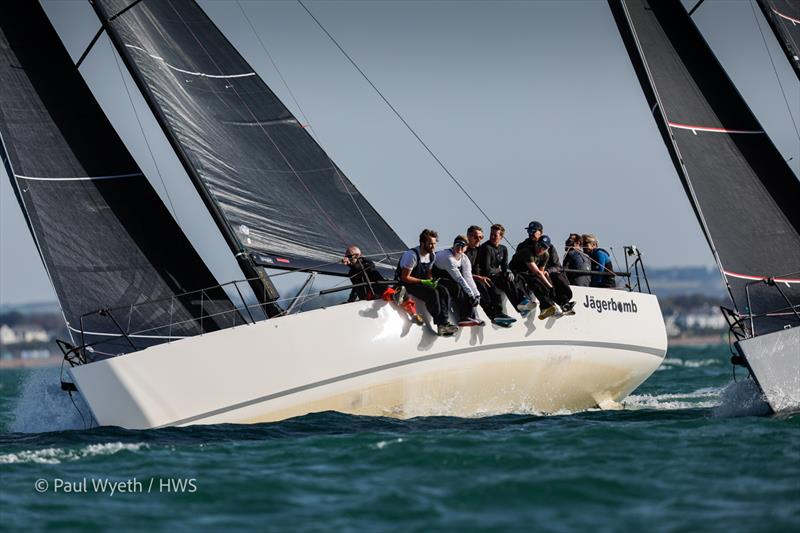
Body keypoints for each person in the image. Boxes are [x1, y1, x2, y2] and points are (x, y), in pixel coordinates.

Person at [396, 229, 458, 336]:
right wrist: (423, 281)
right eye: (430, 244)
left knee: (443, 291)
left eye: (434, 244)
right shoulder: (412, 255)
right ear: (422, 243)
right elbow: (405, 277)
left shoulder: (431, 255)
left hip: (421, 282)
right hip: (408, 284)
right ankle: (441, 324)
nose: (433, 246)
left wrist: (431, 280)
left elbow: (428, 272)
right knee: (432, 293)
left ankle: (444, 323)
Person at [511, 226, 575, 319]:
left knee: (554, 278)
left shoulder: (546, 253)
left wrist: (547, 275)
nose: (541, 249)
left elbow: (550, 268)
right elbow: (537, 272)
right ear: (537, 243)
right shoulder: (526, 248)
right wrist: (549, 286)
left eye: (533, 231)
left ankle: (560, 304)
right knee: (536, 280)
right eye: (529, 231)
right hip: (523, 271)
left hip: (539, 272)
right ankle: (548, 306)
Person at [475, 223, 522, 326]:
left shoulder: (503, 249)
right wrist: (501, 272)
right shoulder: (486, 247)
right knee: (495, 291)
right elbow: (487, 269)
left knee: (510, 278)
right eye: (491, 234)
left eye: (495, 235)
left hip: (497, 275)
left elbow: (505, 266)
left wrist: (508, 272)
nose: (492, 237)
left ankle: (520, 304)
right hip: (486, 276)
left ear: (501, 237)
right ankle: (498, 314)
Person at [433, 235, 485, 327]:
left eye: (462, 245)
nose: (459, 248)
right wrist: (471, 295)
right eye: (457, 245)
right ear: (453, 245)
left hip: (449, 278)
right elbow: (459, 279)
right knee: (459, 287)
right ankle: (464, 317)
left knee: (469, 290)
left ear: (466, 248)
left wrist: (477, 295)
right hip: (436, 278)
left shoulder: (464, 258)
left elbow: (468, 277)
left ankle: (473, 316)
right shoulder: (448, 258)